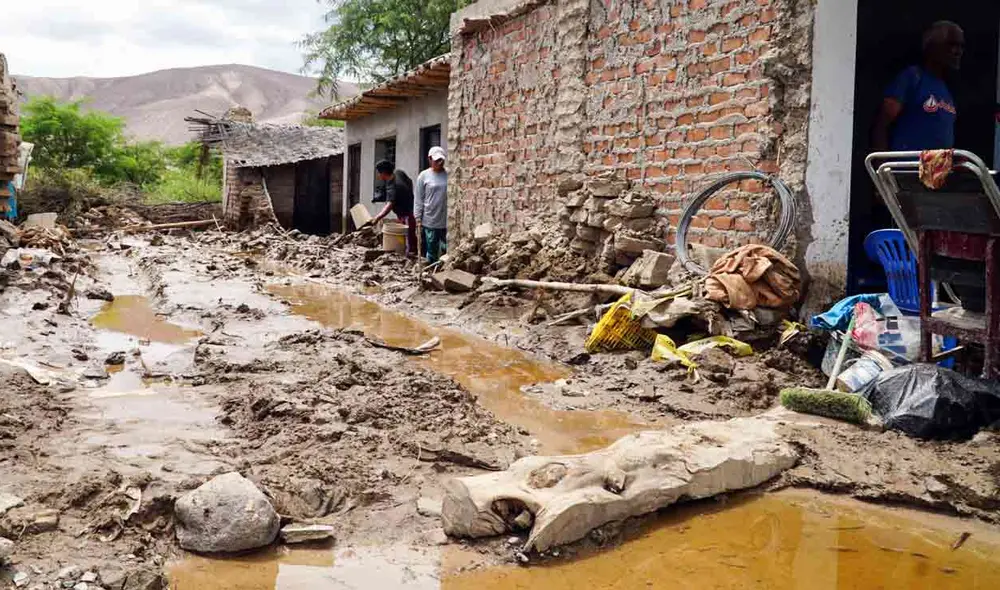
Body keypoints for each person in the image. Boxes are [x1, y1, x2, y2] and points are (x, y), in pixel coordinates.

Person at [873, 21, 965, 152]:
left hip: (935, 170)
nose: (958, 51)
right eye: (951, 44)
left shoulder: (948, 89)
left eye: (961, 46)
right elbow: (881, 125)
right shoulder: (912, 77)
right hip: (907, 168)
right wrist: (881, 166)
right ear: (931, 47)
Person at [370, 160, 417, 257]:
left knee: (408, 236)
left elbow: (389, 205)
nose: (378, 176)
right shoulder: (398, 173)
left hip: (406, 213)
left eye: (378, 173)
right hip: (407, 210)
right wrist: (409, 195)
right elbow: (410, 181)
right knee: (408, 234)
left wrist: (377, 218)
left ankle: (410, 258)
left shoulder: (393, 186)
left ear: (383, 173)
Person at [415, 146, 448, 264]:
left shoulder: (448, 174)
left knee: (446, 249)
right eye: (437, 160)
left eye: (441, 160)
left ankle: (443, 271)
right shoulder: (423, 176)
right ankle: (430, 272)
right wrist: (418, 217)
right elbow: (419, 198)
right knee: (432, 250)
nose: (439, 163)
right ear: (429, 159)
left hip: (446, 219)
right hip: (430, 219)